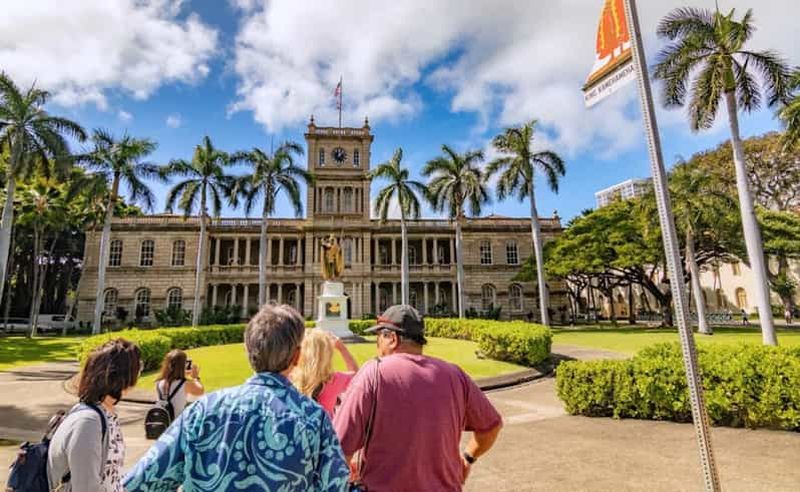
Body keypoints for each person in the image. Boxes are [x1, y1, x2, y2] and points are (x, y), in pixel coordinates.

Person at [124, 304, 349, 491]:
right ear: (297, 356)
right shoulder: (313, 418)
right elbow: (336, 485)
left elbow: (140, 482)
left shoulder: (203, 411)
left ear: (248, 350)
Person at [334, 305, 503, 491]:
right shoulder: (455, 374)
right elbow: (492, 425)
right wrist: (467, 459)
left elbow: (337, 450)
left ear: (391, 338)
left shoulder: (373, 373)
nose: (377, 345)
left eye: (378, 337)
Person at [47, 338, 142, 492]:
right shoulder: (88, 422)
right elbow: (86, 487)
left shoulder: (104, 415)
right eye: (138, 368)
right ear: (122, 376)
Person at [292, 329, 359, 416]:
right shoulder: (334, 380)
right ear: (328, 354)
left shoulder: (291, 377)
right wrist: (342, 348)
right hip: (326, 428)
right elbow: (356, 375)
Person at [155, 349, 205, 418]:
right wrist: (195, 378)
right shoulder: (186, 384)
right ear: (183, 365)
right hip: (177, 424)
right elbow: (201, 392)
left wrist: (182, 373)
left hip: (162, 423)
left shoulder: (159, 382)